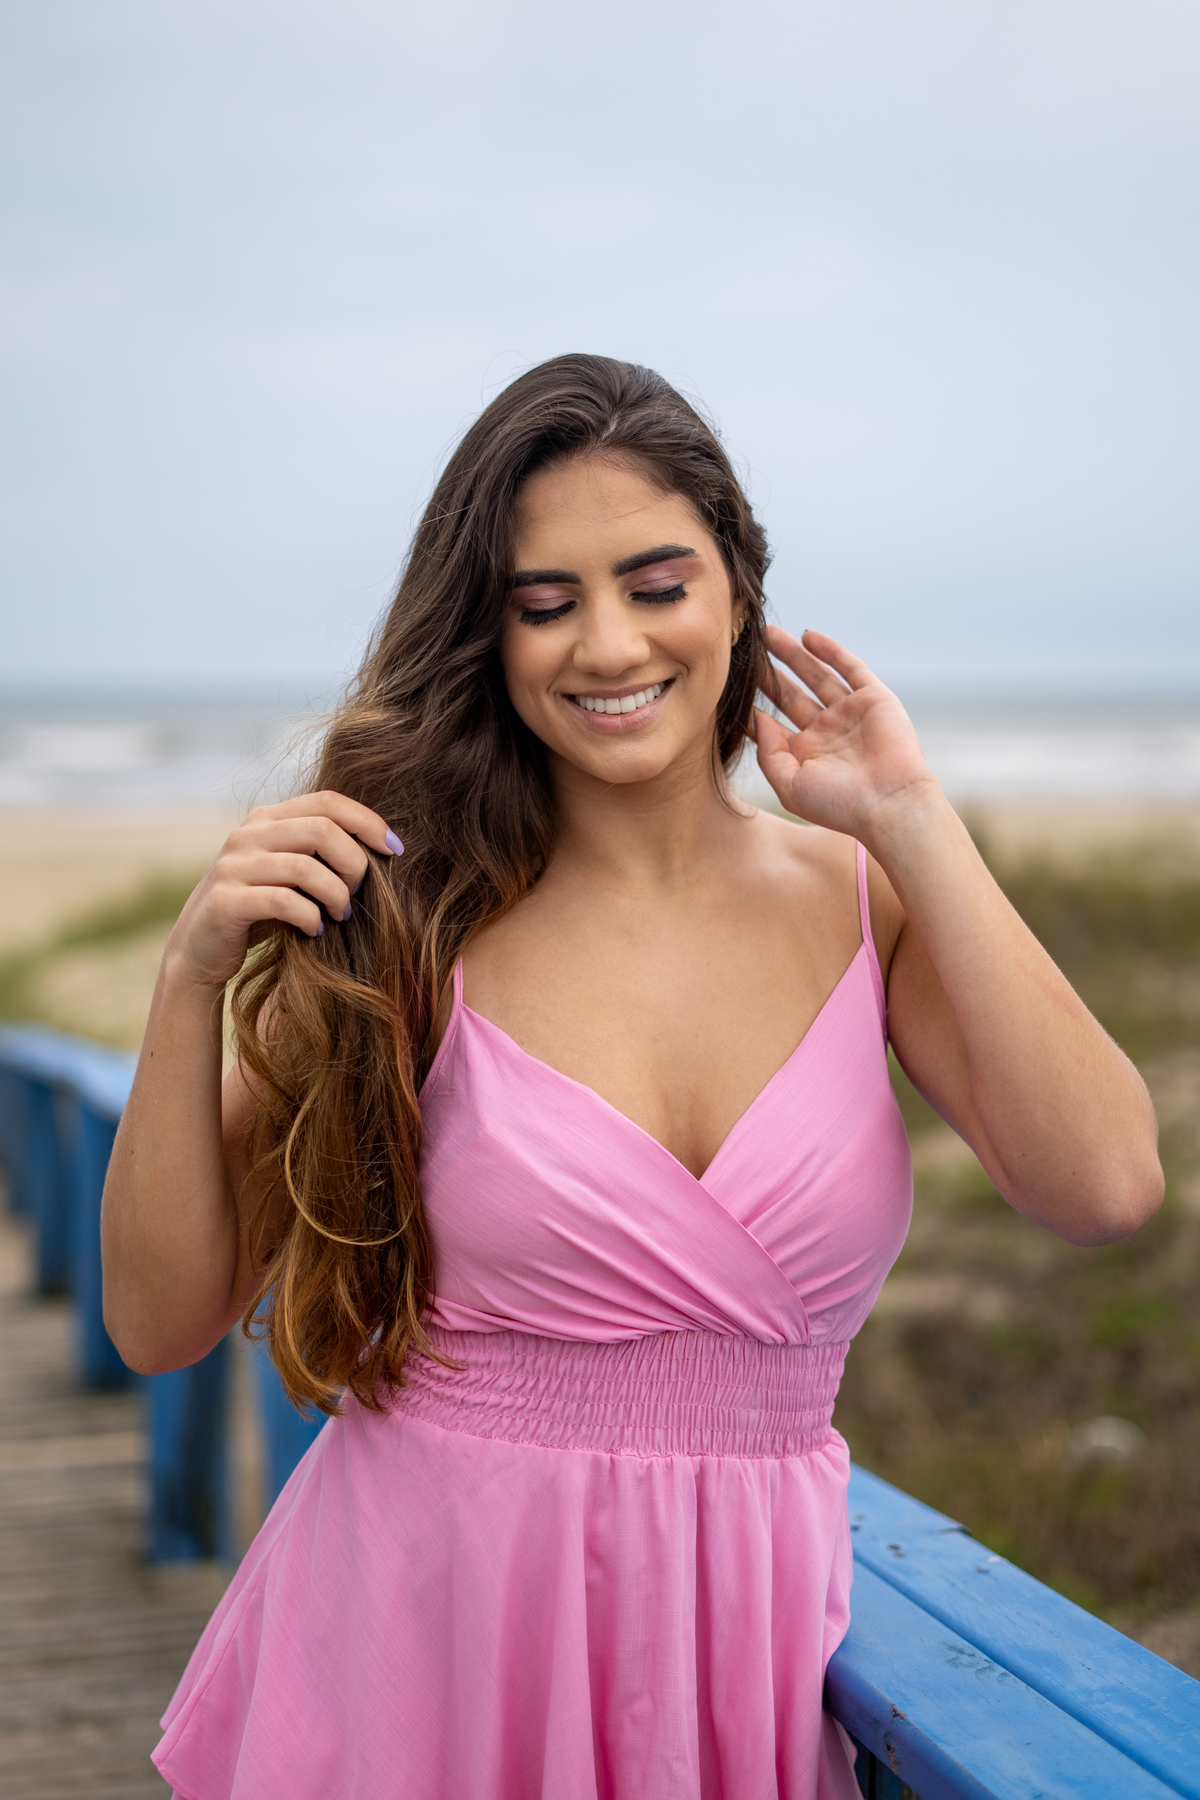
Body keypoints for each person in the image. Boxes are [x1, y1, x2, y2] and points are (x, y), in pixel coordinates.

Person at [102, 355, 1163, 1800]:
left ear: (738, 586)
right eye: (546, 604)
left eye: (656, 584)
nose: (606, 645)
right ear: (491, 633)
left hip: (738, 1657)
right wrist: (186, 991)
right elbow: (163, 1322)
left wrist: (916, 821)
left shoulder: (867, 901)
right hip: (425, 1654)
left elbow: (1103, 1183)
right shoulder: (408, 919)